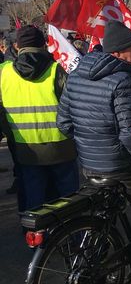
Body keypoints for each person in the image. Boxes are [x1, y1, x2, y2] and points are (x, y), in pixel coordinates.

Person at [57, 20, 131, 284]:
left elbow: (63, 123)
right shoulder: (125, 81)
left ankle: (94, 268)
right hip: (120, 166)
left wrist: (87, 142)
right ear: (117, 52)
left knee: (103, 216)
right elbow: (129, 135)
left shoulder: (77, 74)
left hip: (90, 164)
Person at [0, 25, 79, 212]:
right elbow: (72, 107)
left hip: (26, 150)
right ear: (44, 44)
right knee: (69, 200)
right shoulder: (56, 70)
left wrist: (10, 135)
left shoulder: (4, 72)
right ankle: (70, 236)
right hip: (62, 148)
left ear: (18, 46)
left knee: (34, 201)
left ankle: (36, 236)